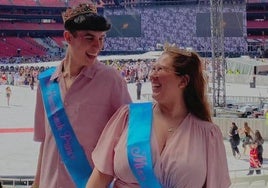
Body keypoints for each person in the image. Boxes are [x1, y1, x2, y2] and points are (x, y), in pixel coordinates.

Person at [86, 43, 231, 187]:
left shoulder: (208, 135)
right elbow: (99, 178)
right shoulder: (129, 117)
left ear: (183, 81)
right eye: (153, 69)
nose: (151, 75)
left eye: (160, 69)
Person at [31, 3, 132, 188]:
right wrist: (36, 184)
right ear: (68, 37)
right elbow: (46, 143)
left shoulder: (111, 80)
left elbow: (128, 138)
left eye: (102, 38)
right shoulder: (46, 83)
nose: (97, 46)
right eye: (89, 38)